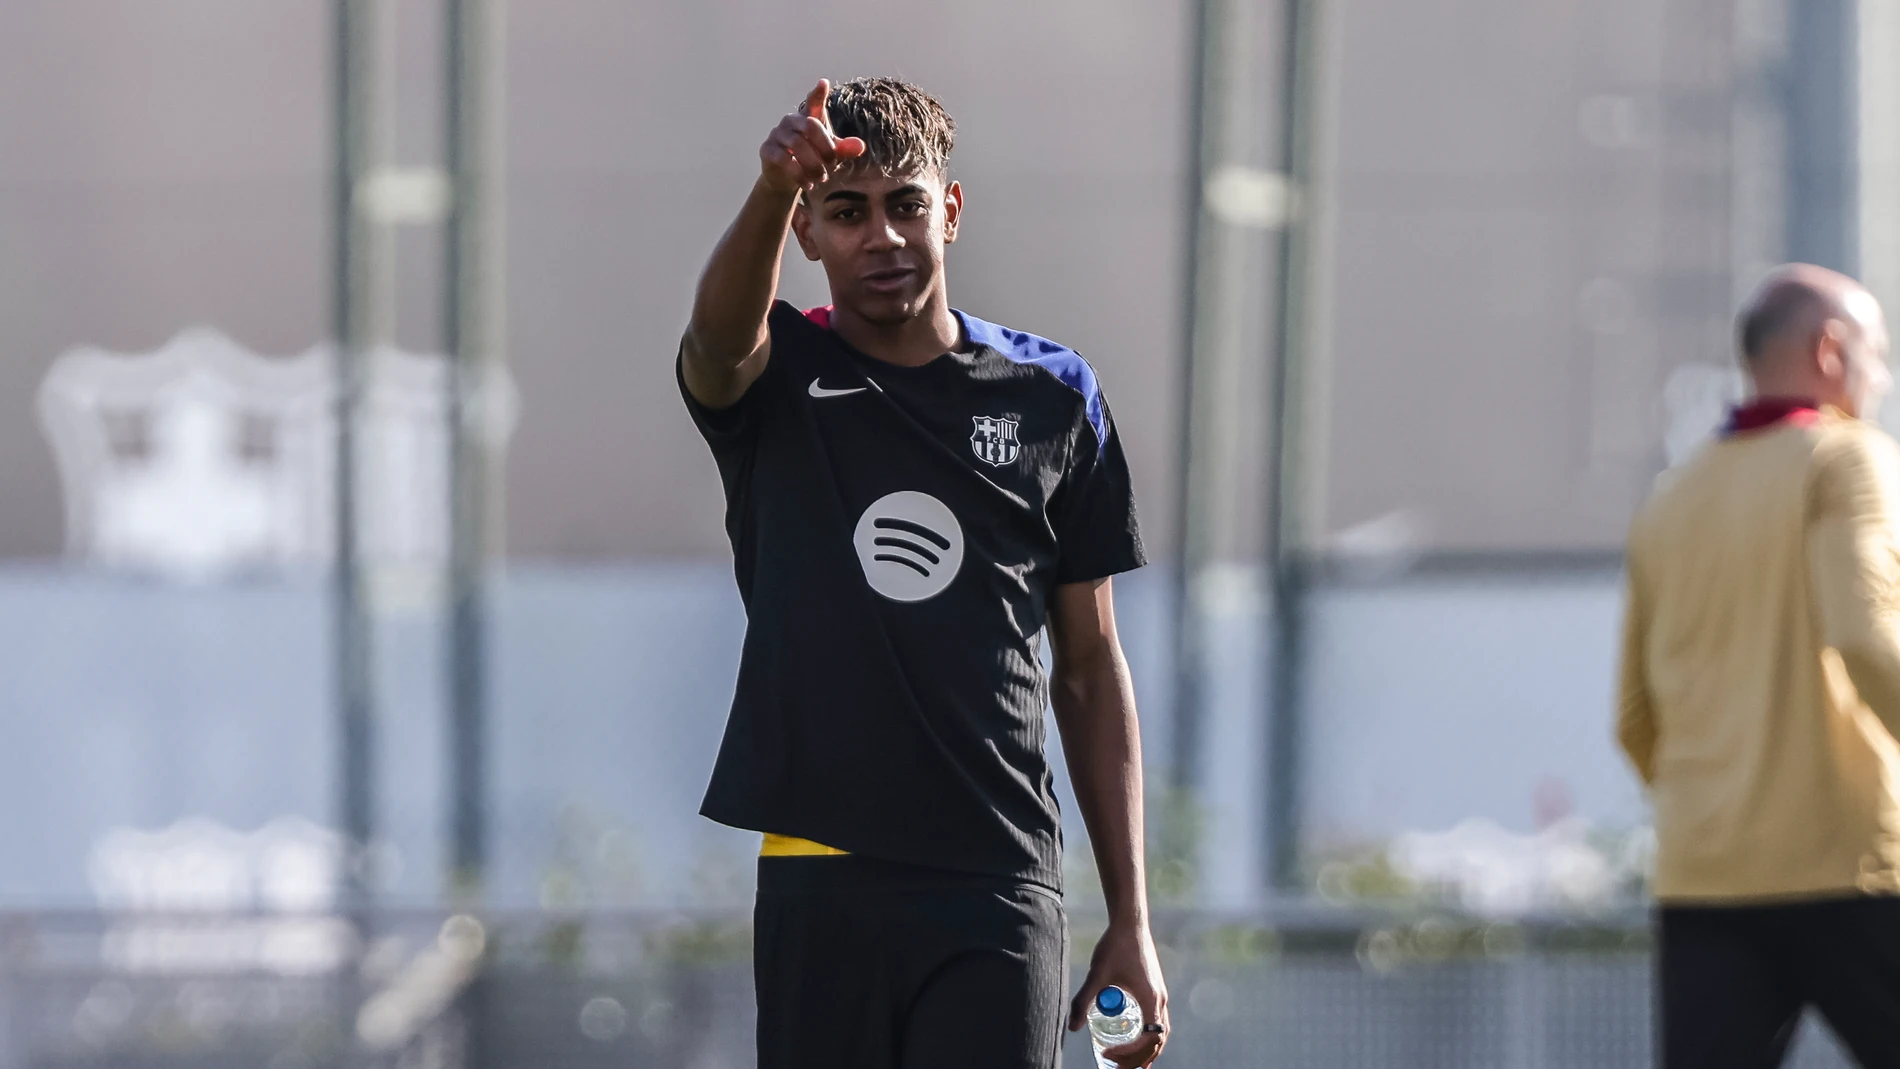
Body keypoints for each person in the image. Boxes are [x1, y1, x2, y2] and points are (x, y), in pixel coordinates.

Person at [676, 77, 1169, 1069]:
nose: (883, 238)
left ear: (949, 210)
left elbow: (1087, 664)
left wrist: (1132, 919)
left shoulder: (1051, 396)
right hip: (823, 880)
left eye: (905, 205)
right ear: (808, 234)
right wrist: (773, 187)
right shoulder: (778, 380)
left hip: (997, 879)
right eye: (847, 213)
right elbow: (716, 344)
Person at [1618, 263, 1900, 1066]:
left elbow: (1634, 716)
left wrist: (1714, 806)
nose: (1881, 377)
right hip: (1853, 861)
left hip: (1704, 875)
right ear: (1832, 349)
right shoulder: (1845, 459)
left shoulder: (1671, 496)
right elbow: (1868, 640)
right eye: (1878, 354)